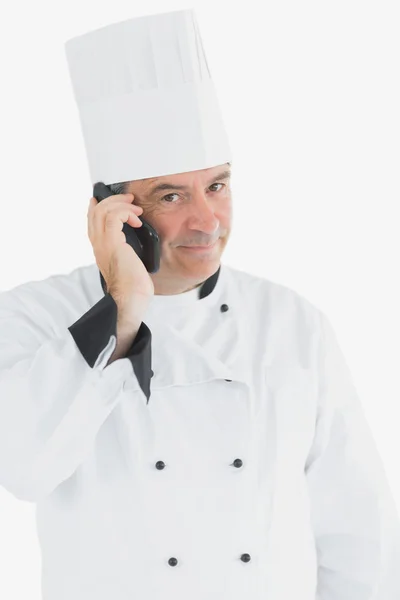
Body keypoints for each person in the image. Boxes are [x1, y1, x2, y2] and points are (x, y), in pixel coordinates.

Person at [0, 9, 399, 600]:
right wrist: (122, 307)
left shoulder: (291, 323)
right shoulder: (35, 316)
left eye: (217, 185)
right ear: (116, 212)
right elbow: (26, 468)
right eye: (171, 195)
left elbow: (357, 531)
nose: (207, 220)